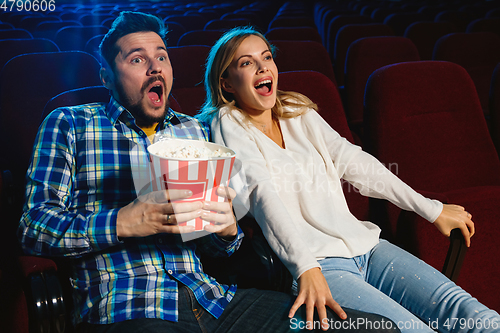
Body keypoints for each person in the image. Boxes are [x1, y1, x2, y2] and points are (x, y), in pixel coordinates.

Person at [17, 12, 400, 333]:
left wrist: (226, 230)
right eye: (136, 59)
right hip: (129, 305)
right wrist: (124, 221)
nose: (154, 67)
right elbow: (34, 228)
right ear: (106, 77)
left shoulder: (195, 131)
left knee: (374, 328)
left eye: (162, 57)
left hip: (216, 303)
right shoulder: (70, 124)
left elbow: (220, 250)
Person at [198, 26, 500, 333]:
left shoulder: (296, 111)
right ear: (227, 83)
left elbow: (355, 162)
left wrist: (430, 209)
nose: (263, 67)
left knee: (471, 313)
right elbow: (261, 193)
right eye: (247, 63)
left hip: (367, 246)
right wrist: (306, 268)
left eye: (267, 57)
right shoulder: (228, 122)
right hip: (322, 265)